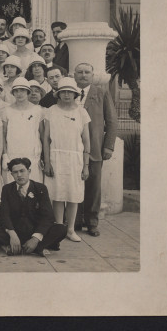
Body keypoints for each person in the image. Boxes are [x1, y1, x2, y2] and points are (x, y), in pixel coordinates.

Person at [42, 77, 91, 242]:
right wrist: (48, 162)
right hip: (56, 156)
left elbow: (86, 140)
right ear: (58, 94)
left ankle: (70, 229)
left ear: (75, 94)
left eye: (70, 92)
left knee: (73, 194)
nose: (67, 95)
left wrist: (85, 166)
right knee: (57, 194)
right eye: (63, 92)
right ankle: (58, 228)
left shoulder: (81, 112)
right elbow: (46, 139)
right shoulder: (51, 111)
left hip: (75, 158)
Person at [73, 63, 118, 237]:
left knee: (93, 187)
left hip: (95, 149)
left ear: (92, 75)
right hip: (73, 149)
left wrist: (108, 145)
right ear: (74, 75)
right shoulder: (68, 92)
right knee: (75, 184)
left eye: (87, 72)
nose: (83, 75)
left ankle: (92, 222)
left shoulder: (102, 93)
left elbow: (112, 121)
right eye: (80, 72)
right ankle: (75, 220)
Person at [0, 158, 67, 256]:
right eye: (15, 172)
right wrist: (12, 234)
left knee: (61, 229)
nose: (19, 175)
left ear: (29, 171)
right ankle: (36, 248)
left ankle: (29, 247)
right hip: (16, 231)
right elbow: (4, 214)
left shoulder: (40, 188)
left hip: (34, 230)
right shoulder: (7, 189)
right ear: (11, 175)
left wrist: (35, 238)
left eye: (22, 171)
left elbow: (48, 217)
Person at [1, 77, 46, 185]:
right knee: (14, 191)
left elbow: (43, 135)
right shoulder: (7, 111)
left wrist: (43, 157)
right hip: (13, 155)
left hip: (33, 157)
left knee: (33, 190)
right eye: (16, 91)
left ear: (27, 92)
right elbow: (3, 135)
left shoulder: (38, 110)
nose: (19, 93)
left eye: (22, 90)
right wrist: (5, 155)